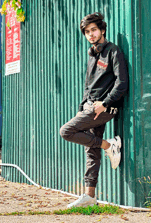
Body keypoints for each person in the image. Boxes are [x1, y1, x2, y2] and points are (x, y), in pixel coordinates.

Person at [60, 12, 128, 208]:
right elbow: (88, 87)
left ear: (102, 30)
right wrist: (82, 107)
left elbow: (122, 83)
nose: (90, 34)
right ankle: (90, 197)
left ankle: (109, 146)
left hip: (106, 107)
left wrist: (104, 103)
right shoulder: (92, 55)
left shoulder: (113, 51)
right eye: (87, 32)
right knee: (91, 149)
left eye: (94, 30)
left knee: (66, 131)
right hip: (91, 107)